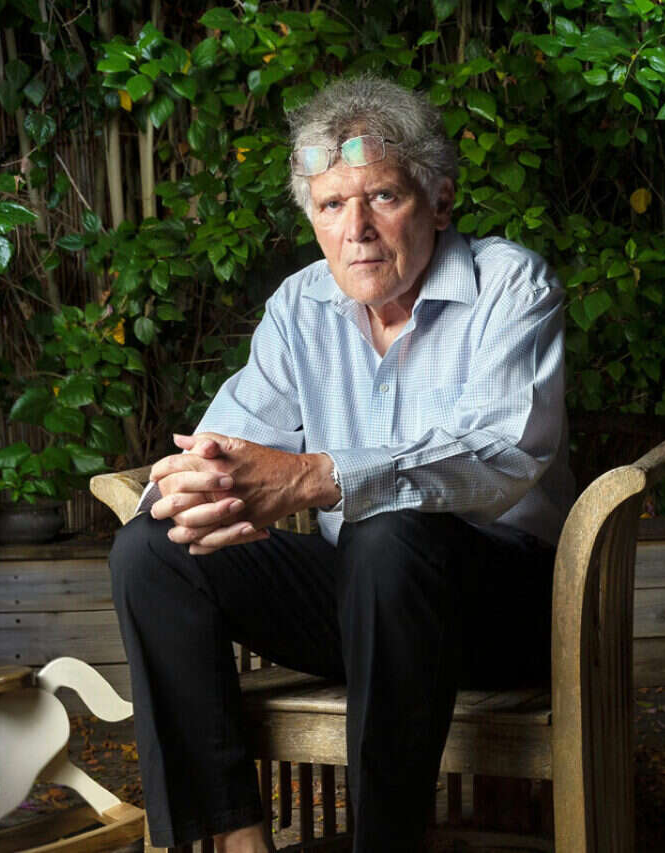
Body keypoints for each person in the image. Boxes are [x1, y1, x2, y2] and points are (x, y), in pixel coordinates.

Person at [109, 75, 574, 853]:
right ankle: (236, 839)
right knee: (151, 549)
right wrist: (190, 486)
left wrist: (318, 475)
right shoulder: (300, 308)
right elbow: (222, 445)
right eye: (331, 205)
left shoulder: (511, 285)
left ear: (440, 201)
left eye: (382, 196)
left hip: (503, 606)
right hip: (361, 601)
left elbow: (504, 451)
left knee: (387, 532)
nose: (356, 229)